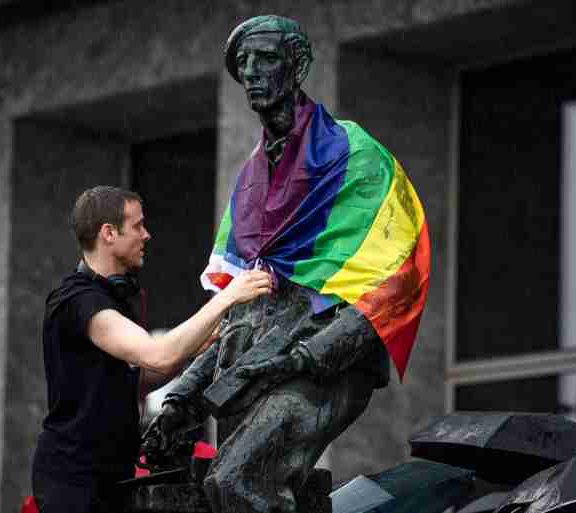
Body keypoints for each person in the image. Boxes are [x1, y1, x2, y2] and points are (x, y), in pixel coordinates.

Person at [143, 15, 431, 513]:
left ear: (297, 65)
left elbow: (394, 279)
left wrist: (305, 357)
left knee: (237, 481)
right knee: (206, 494)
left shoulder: (352, 153)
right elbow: (236, 311)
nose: (252, 72)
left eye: (266, 59)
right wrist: (181, 396)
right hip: (250, 364)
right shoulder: (253, 179)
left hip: (323, 359)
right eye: (243, 63)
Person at [31, 186, 271, 513]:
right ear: (109, 233)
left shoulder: (113, 298)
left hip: (112, 475)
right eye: (138, 226)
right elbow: (158, 354)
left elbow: (140, 378)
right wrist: (229, 297)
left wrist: (198, 345)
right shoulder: (79, 301)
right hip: (74, 480)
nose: (147, 234)